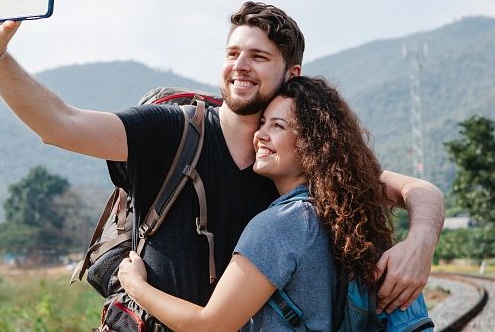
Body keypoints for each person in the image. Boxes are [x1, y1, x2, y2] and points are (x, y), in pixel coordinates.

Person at [0, 0, 444, 316]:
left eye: (258, 56)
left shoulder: (294, 160)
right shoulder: (170, 131)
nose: (240, 65)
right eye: (233, 53)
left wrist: (419, 246)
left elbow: (420, 192)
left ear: (290, 75)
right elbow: (60, 123)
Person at [117, 76, 406, 331]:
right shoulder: (340, 214)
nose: (260, 135)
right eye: (263, 123)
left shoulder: (282, 224)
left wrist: (136, 286)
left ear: (312, 144)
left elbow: (211, 326)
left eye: (278, 126)